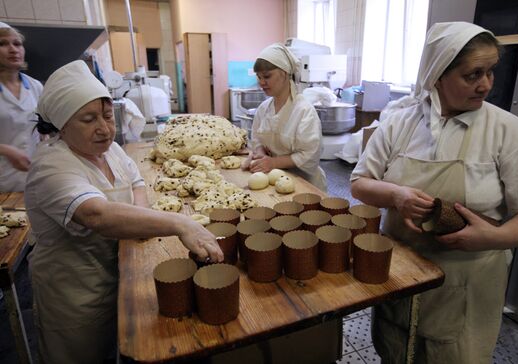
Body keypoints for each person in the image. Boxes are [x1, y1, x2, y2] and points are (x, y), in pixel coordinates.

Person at [350, 22, 518, 363]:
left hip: (467, 283)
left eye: (489, 72)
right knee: (395, 351)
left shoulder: (506, 131)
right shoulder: (400, 123)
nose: (485, 84)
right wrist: (396, 196)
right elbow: (360, 183)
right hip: (400, 274)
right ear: (438, 75)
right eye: (472, 75)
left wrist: (494, 238)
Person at [25, 60, 224, 364]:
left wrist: (141, 220)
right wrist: (178, 223)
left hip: (119, 275)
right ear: (62, 126)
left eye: (107, 116)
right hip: (75, 292)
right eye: (88, 119)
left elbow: (137, 181)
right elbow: (97, 215)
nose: (104, 128)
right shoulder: (52, 166)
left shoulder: (110, 150)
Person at [241, 43, 327, 191]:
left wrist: (274, 163)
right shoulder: (263, 109)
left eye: (267, 76)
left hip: (304, 182)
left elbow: (309, 153)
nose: (261, 83)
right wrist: (261, 154)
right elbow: (256, 138)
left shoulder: (303, 111)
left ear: (285, 73)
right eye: (259, 77)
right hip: (271, 180)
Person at [0, 21, 43, 192]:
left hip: (34, 176)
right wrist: (6, 150)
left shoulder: (35, 87)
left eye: (17, 44)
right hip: (3, 181)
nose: (13, 49)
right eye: (2, 44)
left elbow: (44, 127)